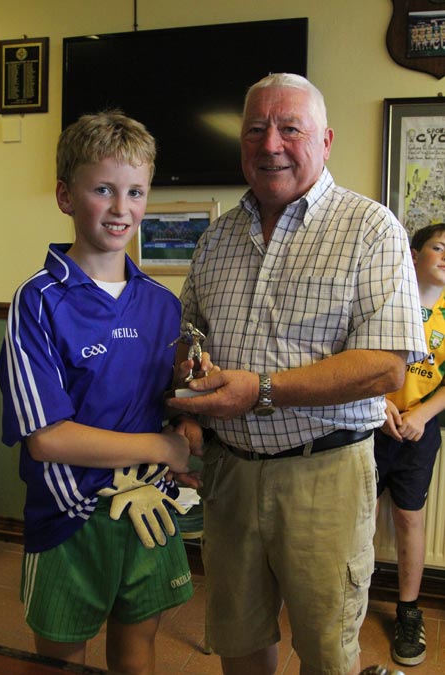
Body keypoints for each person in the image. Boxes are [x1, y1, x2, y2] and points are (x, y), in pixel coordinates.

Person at [167, 73, 427, 675]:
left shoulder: (371, 228)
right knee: (239, 642)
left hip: (326, 475)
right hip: (229, 475)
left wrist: (260, 390)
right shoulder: (216, 238)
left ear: (326, 140)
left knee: (327, 651)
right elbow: (190, 337)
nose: (271, 144)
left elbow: (386, 365)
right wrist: (188, 395)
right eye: (255, 129)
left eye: (290, 128)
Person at [0, 110, 204, 675]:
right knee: (61, 661)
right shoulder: (37, 302)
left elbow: (172, 405)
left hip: (148, 511)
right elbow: (48, 440)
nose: (121, 209)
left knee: (137, 652)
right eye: (103, 190)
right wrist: (163, 448)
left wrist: (187, 426)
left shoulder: (164, 304)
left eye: (135, 191)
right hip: (70, 518)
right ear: (66, 196)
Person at [374, 223, 445, 667]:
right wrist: (376, 404)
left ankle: (408, 611)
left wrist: (421, 414)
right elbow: (356, 357)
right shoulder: (388, 297)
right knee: (355, 516)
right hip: (372, 423)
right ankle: (346, 596)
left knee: (408, 519)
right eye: (439, 247)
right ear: (415, 253)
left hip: (420, 428)